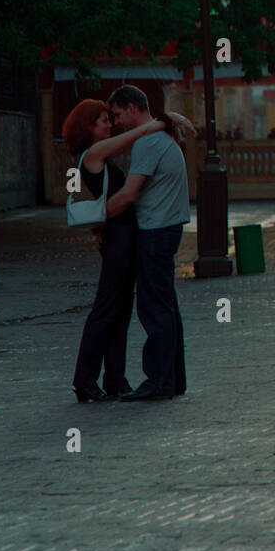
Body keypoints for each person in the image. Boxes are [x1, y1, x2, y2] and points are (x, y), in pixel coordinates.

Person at [62, 98, 193, 403]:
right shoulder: (93, 154)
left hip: (122, 238)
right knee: (107, 308)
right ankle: (84, 380)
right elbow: (132, 139)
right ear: (88, 127)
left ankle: (115, 379)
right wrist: (161, 122)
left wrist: (98, 228)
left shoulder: (100, 159)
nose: (110, 124)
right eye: (103, 120)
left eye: (112, 118)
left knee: (120, 312)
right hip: (120, 240)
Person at [105, 85, 193, 401]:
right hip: (168, 230)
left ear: (131, 108)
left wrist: (97, 215)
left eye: (116, 114)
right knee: (166, 306)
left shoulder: (148, 143)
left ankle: (158, 381)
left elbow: (129, 194)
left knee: (154, 308)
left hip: (155, 233)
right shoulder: (165, 137)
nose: (115, 123)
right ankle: (172, 379)